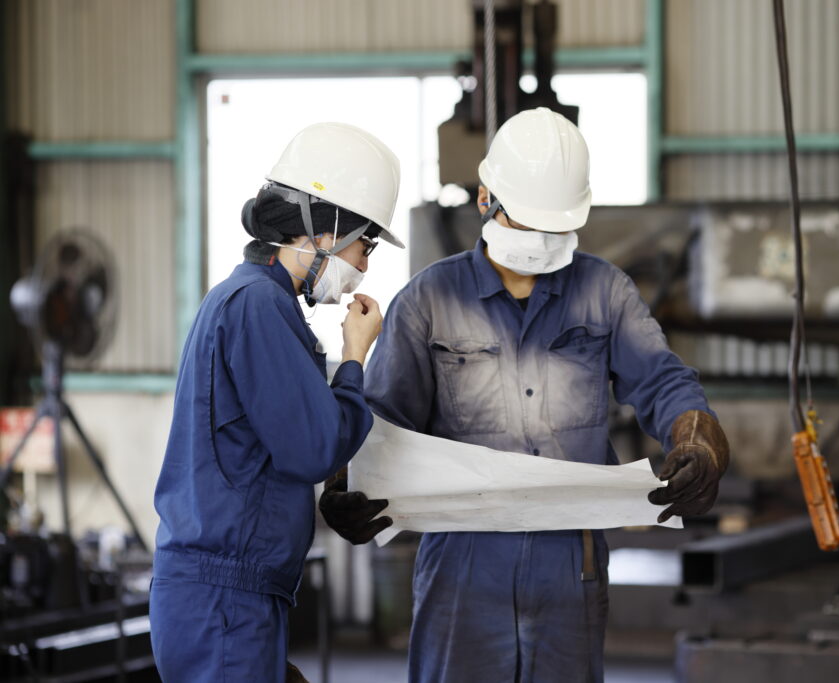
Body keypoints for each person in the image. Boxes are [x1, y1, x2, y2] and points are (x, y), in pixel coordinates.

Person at [319, 107, 730, 682]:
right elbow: (383, 418)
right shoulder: (429, 300)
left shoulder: (603, 291)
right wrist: (348, 480)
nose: (539, 241)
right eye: (527, 222)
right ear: (486, 199)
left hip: (571, 563)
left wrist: (697, 438)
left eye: (553, 227)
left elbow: (662, 379)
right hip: (462, 563)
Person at [150, 122, 403, 682]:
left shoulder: (254, 301)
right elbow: (314, 447)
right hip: (224, 599)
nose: (364, 264)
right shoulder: (257, 306)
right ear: (324, 228)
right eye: (365, 244)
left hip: (232, 595)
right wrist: (356, 356)